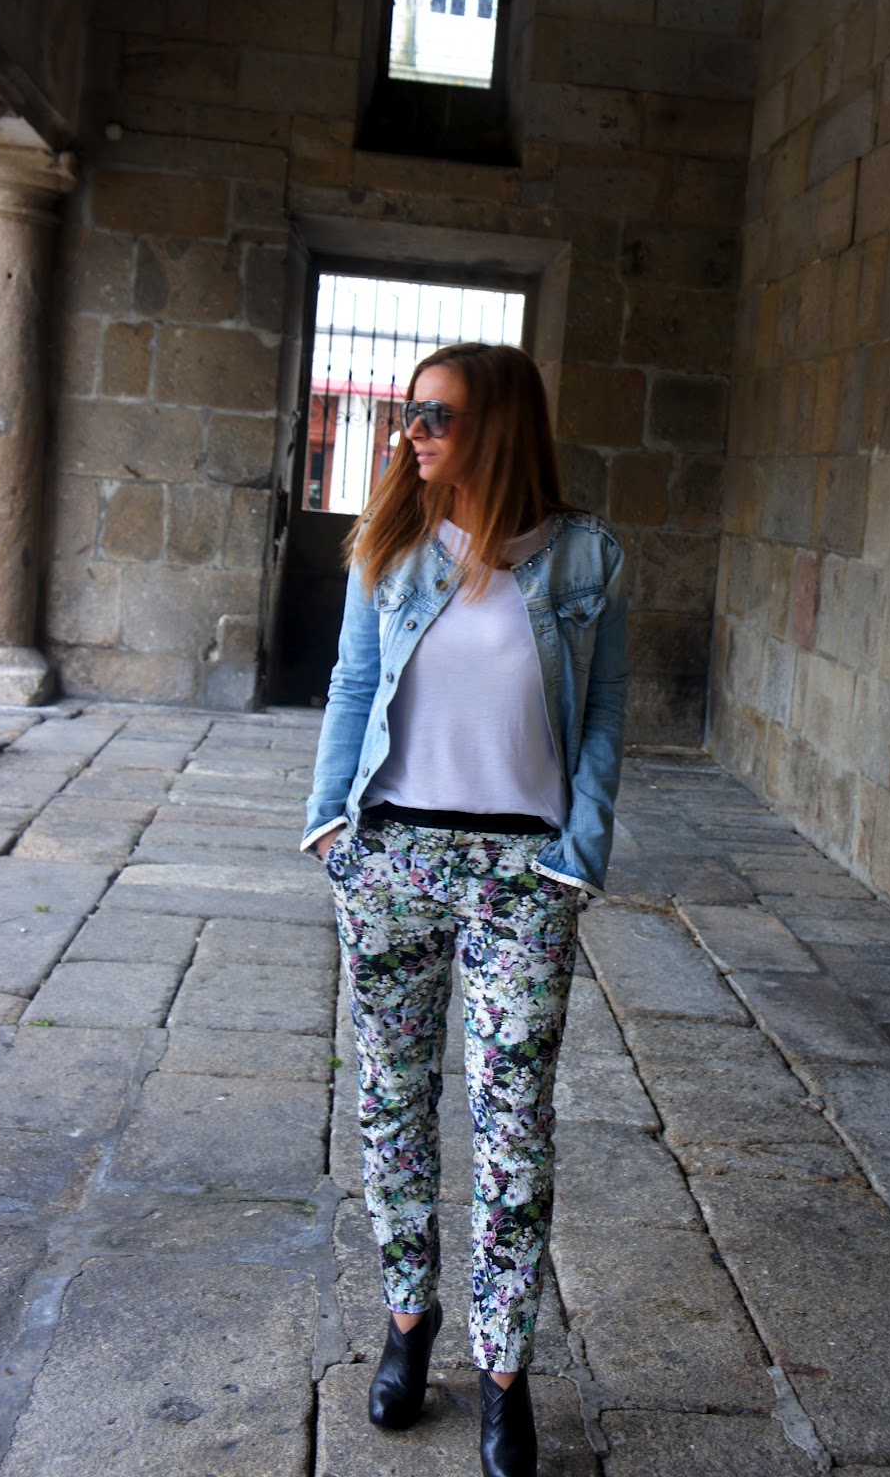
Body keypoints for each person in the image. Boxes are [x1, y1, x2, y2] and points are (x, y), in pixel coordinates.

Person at [302, 341, 628, 1477]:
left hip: (523, 877)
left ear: (499, 422)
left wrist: (578, 853)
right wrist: (329, 824)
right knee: (390, 1107)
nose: (414, 431)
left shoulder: (586, 557)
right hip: (391, 855)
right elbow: (352, 684)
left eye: (436, 413)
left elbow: (603, 715)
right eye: (409, 411)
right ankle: (407, 1321)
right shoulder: (390, 543)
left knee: (512, 1128)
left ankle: (503, 1371)